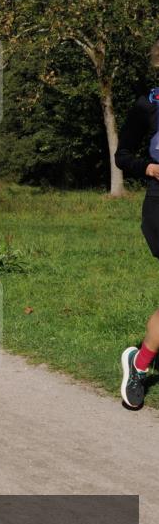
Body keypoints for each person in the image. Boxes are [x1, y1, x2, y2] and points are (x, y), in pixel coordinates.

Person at [115, 38, 159, 409]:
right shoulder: (148, 105)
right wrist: (149, 167)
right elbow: (122, 155)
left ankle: (140, 360)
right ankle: (139, 367)